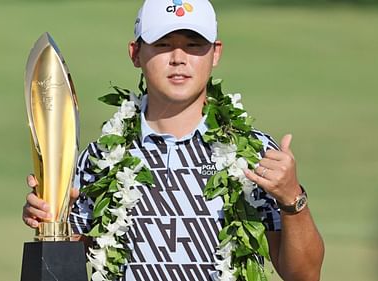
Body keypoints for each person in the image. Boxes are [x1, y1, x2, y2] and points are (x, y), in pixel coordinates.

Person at [22, 0, 325, 280]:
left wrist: (291, 199)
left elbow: (304, 276)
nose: (178, 59)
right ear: (136, 53)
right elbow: (67, 265)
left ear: (216, 53)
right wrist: (51, 222)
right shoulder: (100, 160)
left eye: (193, 45)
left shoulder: (255, 155)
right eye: (163, 45)